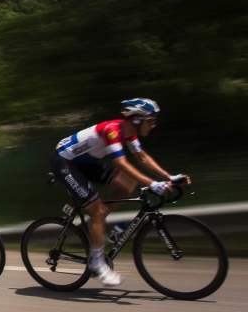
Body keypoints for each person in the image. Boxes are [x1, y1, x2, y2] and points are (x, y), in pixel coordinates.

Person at [53, 98, 188, 287]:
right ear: (137, 119)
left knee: (127, 181)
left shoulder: (129, 132)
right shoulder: (112, 130)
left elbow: (141, 156)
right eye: (151, 120)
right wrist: (154, 184)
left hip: (86, 162)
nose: (153, 124)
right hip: (65, 163)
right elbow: (121, 163)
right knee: (98, 209)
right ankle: (97, 262)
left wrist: (169, 176)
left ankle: (96, 225)